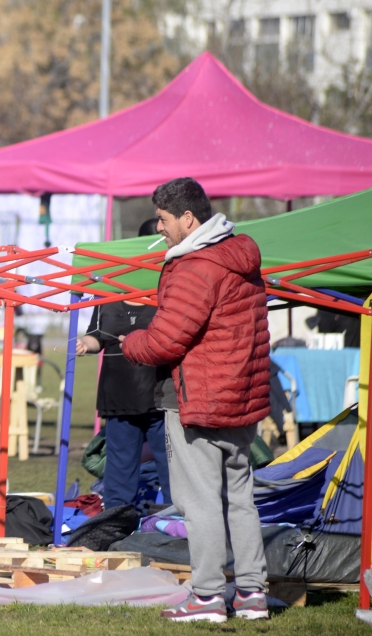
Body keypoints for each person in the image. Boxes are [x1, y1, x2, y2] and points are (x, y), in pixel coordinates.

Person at [122, 177, 270, 623]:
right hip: (239, 397)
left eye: (164, 220)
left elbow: (167, 340)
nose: (159, 230)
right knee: (240, 498)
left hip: (198, 400)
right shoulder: (238, 256)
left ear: (188, 219)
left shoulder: (195, 265)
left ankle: (206, 595)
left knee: (200, 501)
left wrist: (131, 342)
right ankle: (251, 594)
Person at [76, 218, 171, 510]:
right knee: (119, 470)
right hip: (118, 395)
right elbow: (97, 337)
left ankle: (175, 521)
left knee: (171, 468)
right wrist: (85, 345)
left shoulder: (167, 289)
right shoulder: (109, 291)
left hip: (160, 396)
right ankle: (117, 522)